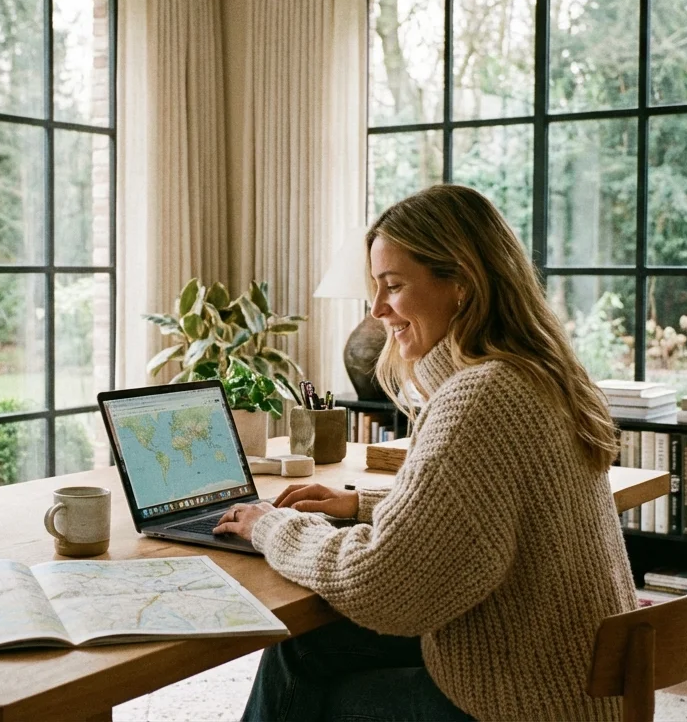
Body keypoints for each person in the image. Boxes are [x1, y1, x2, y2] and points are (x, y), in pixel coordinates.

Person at [214, 184, 637, 721]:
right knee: (304, 648)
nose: (376, 309)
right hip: (567, 673)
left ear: (461, 283)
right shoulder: (537, 375)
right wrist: (358, 506)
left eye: (393, 286)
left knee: (309, 693)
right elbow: (489, 514)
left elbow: (385, 587)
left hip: (525, 699)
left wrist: (270, 527)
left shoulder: (480, 396)